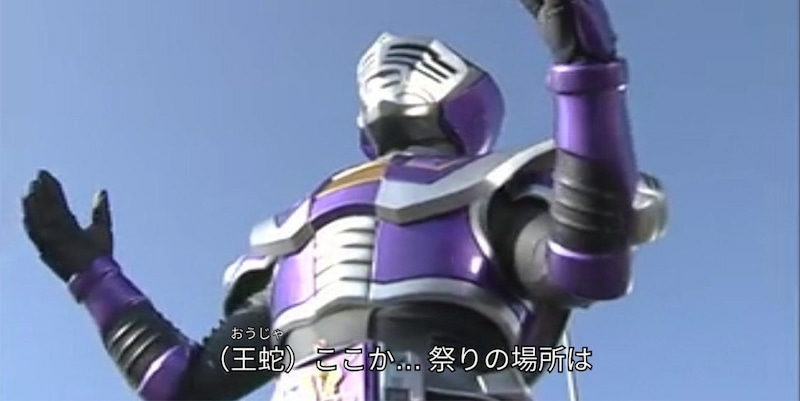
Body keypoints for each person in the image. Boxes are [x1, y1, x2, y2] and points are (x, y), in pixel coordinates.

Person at [21, 1, 668, 400]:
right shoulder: (295, 236)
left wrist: (586, 65)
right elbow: (182, 382)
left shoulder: (490, 193)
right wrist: (93, 275)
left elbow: (587, 261)